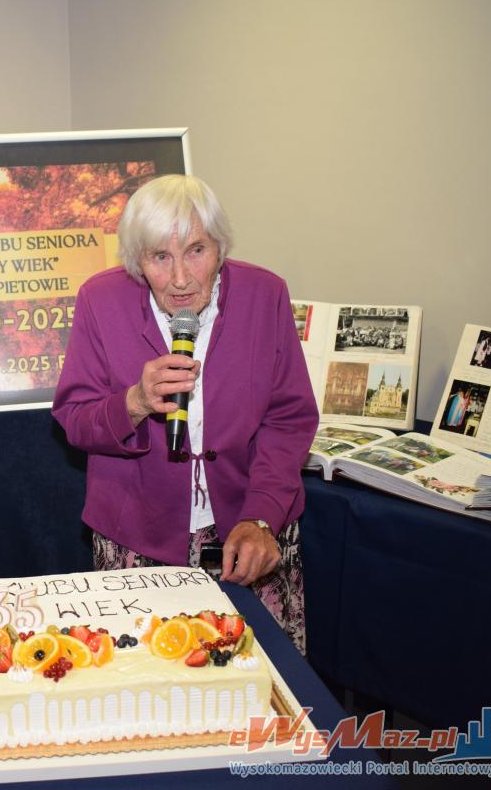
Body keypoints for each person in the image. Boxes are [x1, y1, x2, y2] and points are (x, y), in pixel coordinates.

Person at [52, 174, 318, 652]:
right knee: (146, 683)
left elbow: (288, 419)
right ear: (136, 261)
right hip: (137, 534)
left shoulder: (265, 295)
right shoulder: (100, 300)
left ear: (220, 248)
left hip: (250, 528)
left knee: (258, 677)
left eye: (196, 251)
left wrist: (261, 517)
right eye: (160, 257)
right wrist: (135, 402)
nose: (180, 278)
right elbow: (74, 418)